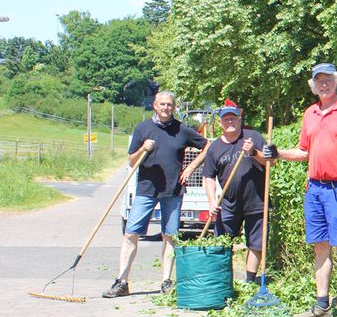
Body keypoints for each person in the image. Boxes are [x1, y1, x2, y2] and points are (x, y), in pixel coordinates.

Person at [264, 64, 337, 317]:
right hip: (315, 190)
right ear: (313, 85)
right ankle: (322, 305)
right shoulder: (310, 113)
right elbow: (303, 151)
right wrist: (277, 153)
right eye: (319, 80)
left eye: (328, 80)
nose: (324, 84)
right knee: (320, 246)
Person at [103, 91, 208, 298]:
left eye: (169, 104)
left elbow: (207, 146)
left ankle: (166, 282)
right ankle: (122, 281)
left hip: (173, 190)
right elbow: (132, 161)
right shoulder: (143, 129)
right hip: (146, 190)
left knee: (169, 236)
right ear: (154, 105)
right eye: (162, 104)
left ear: (174, 107)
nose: (166, 108)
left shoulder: (182, 130)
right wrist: (143, 148)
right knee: (131, 233)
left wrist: (190, 168)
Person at [201, 101, 268, 283]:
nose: (230, 121)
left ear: (239, 119)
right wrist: (211, 200)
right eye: (226, 119)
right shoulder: (215, 147)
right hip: (228, 204)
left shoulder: (253, 137)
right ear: (220, 123)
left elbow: (270, 162)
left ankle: (249, 281)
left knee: (256, 244)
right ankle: (223, 281)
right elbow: (208, 176)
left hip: (256, 202)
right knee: (222, 243)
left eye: (233, 118)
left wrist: (253, 151)